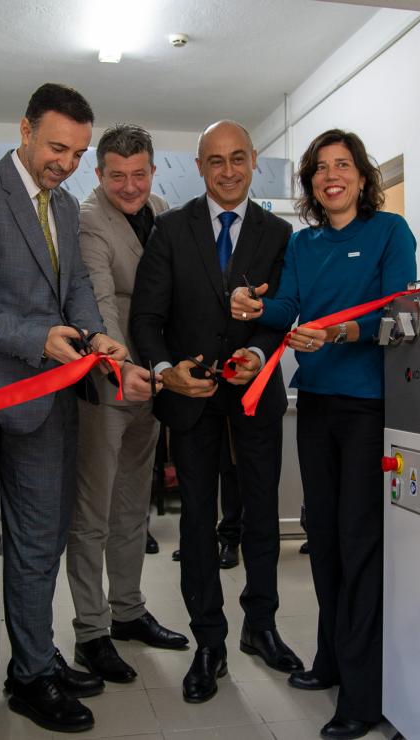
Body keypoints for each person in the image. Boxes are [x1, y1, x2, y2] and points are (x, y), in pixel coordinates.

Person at [0, 83, 152, 734]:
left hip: (52, 399)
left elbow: (76, 289)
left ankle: (33, 661)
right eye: (58, 147)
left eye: (79, 153)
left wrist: (97, 337)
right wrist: (39, 339)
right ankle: (27, 674)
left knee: (42, 541)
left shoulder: (61, 206)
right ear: (25, 130)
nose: (67, 162)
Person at [230, 128, 417, 740]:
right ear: (311, 182)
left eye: (342, 165)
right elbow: (289, 305)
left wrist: (339, 333)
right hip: (316, 404)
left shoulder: (390, 232)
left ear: (362, 177)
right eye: (320, 168)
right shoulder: (303, 243)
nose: (331, 176)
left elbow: (400, 313)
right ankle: (332, 661)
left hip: (368, 408)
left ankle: (363, 697)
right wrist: (256, 308)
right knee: (325, 536)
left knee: (360, 542)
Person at [130, 120, 303, 705]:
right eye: (215, 161)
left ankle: (261, 625)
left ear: (253, 160)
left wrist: (260, 353)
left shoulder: (279, 234)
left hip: (255, 398)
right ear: (199, 166)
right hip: (192, 400)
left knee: (261, 518)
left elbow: (283, 312)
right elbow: (146, 319)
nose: (227, 171)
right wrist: (165, 370)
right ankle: (210, 643)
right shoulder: (170, 229)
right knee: (198, 521)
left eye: (237, 159)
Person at [66, 124, 188, 685]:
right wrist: (121, 368)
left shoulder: (162, 212)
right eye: (118, 176)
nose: (131, 186)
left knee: (134, 504)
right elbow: (99, 302)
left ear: (154, 171)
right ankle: (91, 631)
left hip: (155, 379)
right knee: (93, 508)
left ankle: (129, 611)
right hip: (108, 379)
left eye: (140, 174)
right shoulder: (89, 220)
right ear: (99, 174)